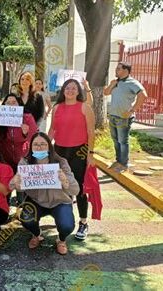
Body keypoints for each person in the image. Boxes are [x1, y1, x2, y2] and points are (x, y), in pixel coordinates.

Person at [9, 132, 80, 255]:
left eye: (43, 144)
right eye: (36, 144)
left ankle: (61, 239)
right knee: (26, 220)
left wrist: (65, 181)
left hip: (60, 201)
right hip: (36, 201)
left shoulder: (61, 163)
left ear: (49, 147)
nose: (39, 147)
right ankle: (37, 235)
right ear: (31, 147)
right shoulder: (25, 163)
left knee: (67, 225)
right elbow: (14, 187)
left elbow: (75, 190)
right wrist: (16, 183)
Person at [48, 79, 95, 240]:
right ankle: (64, 217)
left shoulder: (84, 107)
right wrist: (44, 147)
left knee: (80, 187)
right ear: (63, 90)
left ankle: (83, 222)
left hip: (79, 151)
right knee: (61, 185)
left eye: (74, 88)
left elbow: (91, 131)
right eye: (68, 88)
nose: (70, 90)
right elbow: (52, 130)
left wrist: (90, 153)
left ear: (78, 91)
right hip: (60, 151)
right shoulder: (57, 108)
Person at [0, 94, 37, 189]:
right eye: (8, 103)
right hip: (5, 158)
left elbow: (34, 138)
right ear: (4, 105)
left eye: (14, 102)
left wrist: (26, 134)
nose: (11, 105)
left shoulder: (27, 118)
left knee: (21, 187)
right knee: (6, 185)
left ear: (19, 105)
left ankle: (20, 201)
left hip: (23, 159)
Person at [104, 62, 147, 171]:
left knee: (123, 141)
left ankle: (124, 164)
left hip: (124, 117)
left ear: (126, 70)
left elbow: (143, 95)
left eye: (118, 69)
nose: (116, 70)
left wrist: (132, 110)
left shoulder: (132, 83)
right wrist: (111, 84)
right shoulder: (116, 82)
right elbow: (106, 92)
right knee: (115, 140)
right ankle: (118, 161)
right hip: (113, 116)